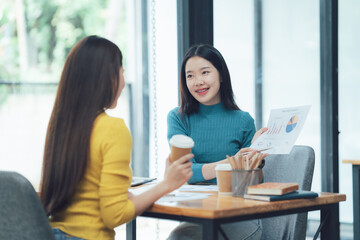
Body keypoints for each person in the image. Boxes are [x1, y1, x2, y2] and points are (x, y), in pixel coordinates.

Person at [39, 35, 193, 240]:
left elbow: (90, 194)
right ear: (108, 77)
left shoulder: (63, 127)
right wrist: (167, 184)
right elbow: (115, 214)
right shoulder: (112, 128)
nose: (123, 80)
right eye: (122, 71)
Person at [166, 44, 267, 240]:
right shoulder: (178, 118)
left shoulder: (243, 120)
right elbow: (184, 172)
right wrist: (232, 162)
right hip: (198, 216)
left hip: (239, 216)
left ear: (221, 75)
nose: (198, 82)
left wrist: (255, 161)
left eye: (205, 72)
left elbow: (252, 184)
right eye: (190, 76)